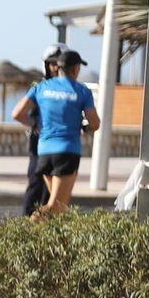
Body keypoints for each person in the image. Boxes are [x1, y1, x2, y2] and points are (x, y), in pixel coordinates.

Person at [12, 49, 100, 219]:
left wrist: (37, 125)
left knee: (60, 209)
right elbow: (95, 123)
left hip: (44, 151)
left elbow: (17, 113)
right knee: (56, 206)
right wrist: (85, 129)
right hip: (67, 151)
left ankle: (47, 242)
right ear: (75, 69)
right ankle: (27, 231)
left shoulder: (41, 88)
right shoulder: (81, 91)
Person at [20, 44, 66, 217]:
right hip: (39, 147)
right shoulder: (38, 86)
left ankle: (46, 226)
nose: (55, 67)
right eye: (52, 63)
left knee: (54, 191)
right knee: (36, 184)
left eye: (59, 63)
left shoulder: (69, 88)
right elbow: (24, 113)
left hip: (60, 148)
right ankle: (26, 223)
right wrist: (38, 125)